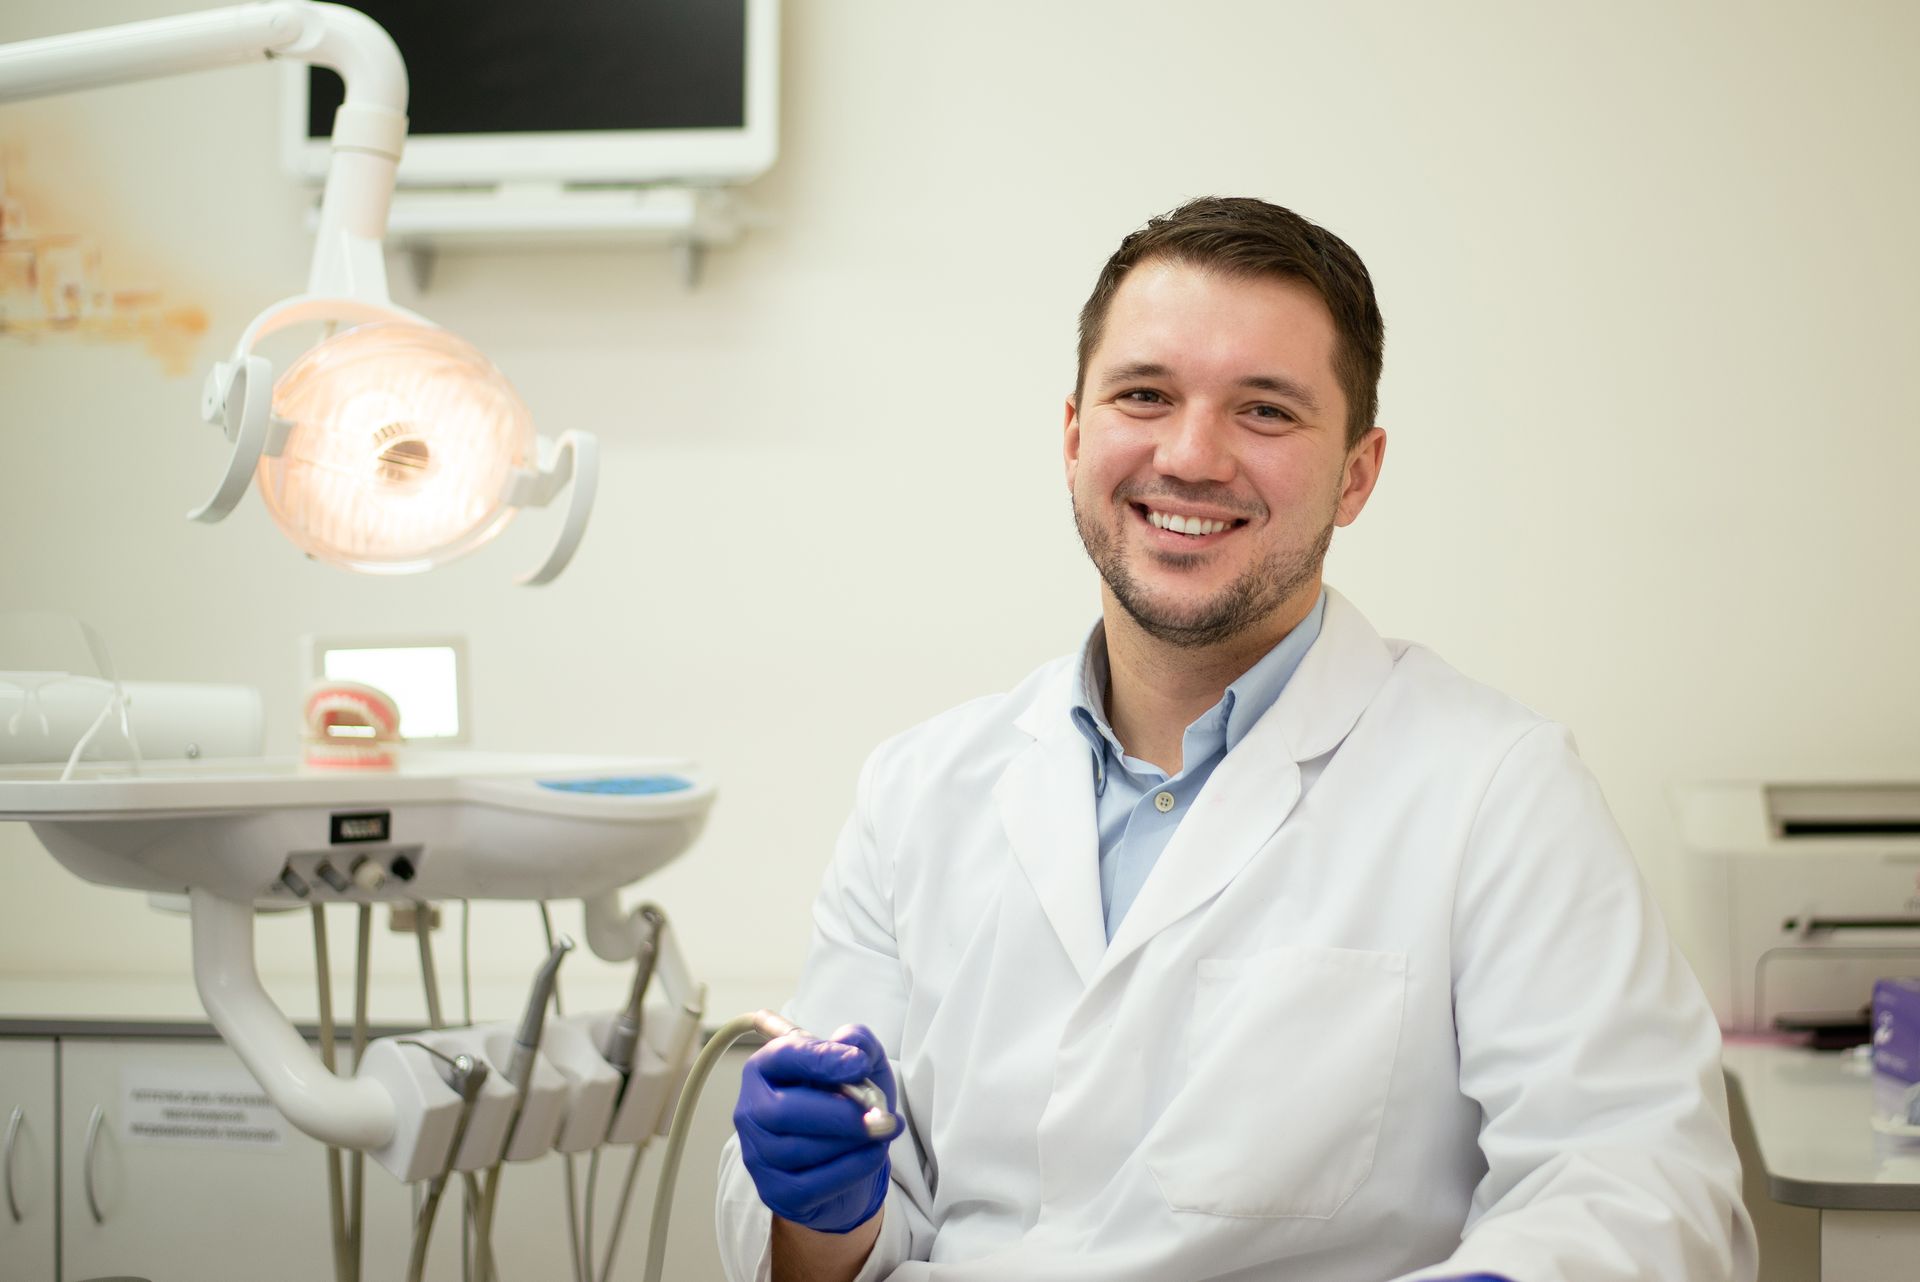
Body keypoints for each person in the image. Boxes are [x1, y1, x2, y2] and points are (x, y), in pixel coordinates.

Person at [715, 197, 1758, 1282]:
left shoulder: (1498, 791)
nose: (1191, 454)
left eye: (1264, 410)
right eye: (1144, 395)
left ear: (1358, 472)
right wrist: (826, 1211)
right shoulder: (917, 793)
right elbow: (826, 1251)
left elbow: (1641, 1184)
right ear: (1075, 436)